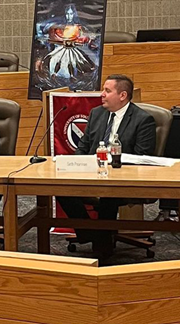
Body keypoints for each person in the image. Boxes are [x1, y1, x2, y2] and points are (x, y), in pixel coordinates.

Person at [57, 74, 156, 258]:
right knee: (60, 187)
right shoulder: (97, 113)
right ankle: (91, 233)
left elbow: (142, 158)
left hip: (123, 178)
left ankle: (102, 248)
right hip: (93, 172)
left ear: (122, 95)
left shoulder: (143, 120)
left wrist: (112, 165)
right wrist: (76, 165)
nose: (102, 94)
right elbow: (84, 146)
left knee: (109, 196)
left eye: (107, 91)